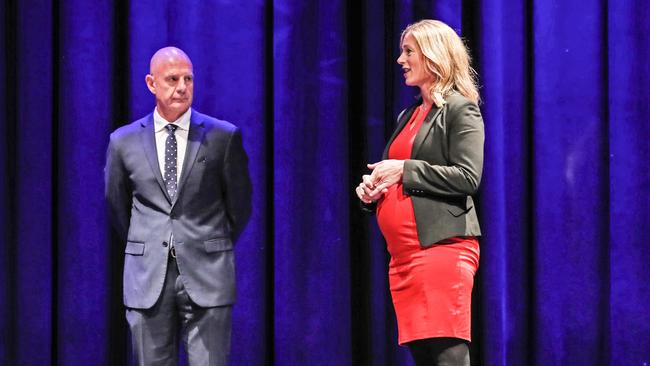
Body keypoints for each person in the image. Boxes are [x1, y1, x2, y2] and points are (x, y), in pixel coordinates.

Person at [105, 46, 252, 365]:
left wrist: (209, 242)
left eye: (188, 78)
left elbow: (240, 205)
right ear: (151, 83)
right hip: (148, 279)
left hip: (208, 275)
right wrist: (148, 240)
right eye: (172, 79)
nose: (182, 86)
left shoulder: (222, 137)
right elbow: (118, 207)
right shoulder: (123, 141)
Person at [356, 20, 484, 366]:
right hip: (404, 259)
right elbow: (400, 179)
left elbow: (467, 177)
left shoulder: (460, 109)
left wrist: (404, 168)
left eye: (408, 51)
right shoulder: (409, 114)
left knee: (447, 355)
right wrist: (374, 192)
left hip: (441, 249)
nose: (400, 59)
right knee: (424, 356)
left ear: (433, 57)